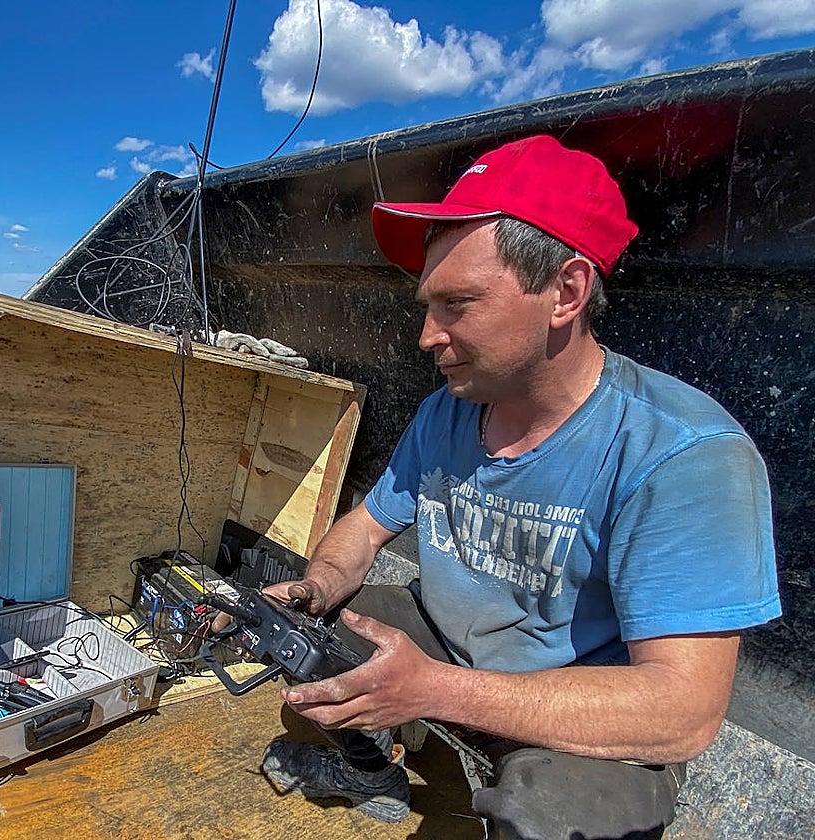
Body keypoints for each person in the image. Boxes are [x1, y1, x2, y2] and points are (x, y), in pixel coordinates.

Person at [256, 134, 781, 838]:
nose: (425, 336)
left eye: (458, 304)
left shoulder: (683, 453)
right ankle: (368, 773)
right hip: (452, 652)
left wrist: (436, 689)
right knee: (315, 647)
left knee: (545, 813)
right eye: (426, 305)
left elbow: (683, 712)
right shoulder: (449, 409)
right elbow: (365, 528)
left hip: (578, 712)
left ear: (566, 292)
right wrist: (316, 586)